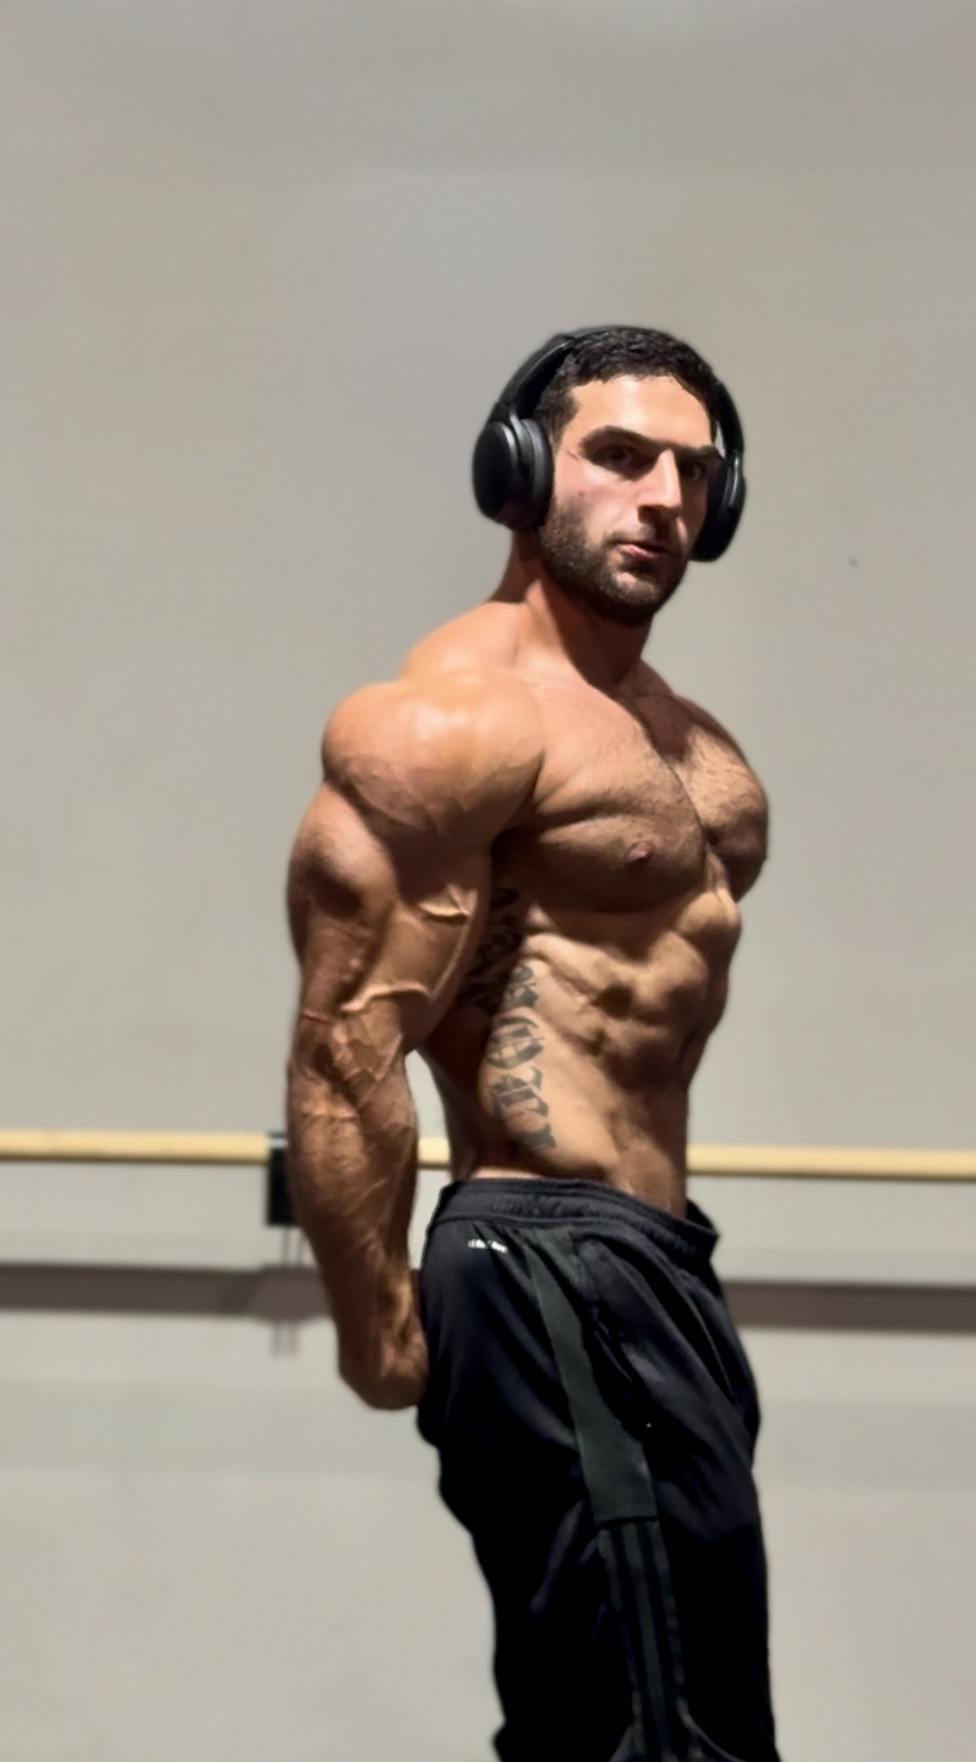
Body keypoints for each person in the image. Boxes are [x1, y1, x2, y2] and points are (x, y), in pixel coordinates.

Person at [286, 327, 778, 1762]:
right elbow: (346, 1044)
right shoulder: (457, 721)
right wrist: (378, 1326)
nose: (663, 498)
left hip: (660, 1262)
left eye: (694, 472)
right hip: (541, 1250)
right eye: (620, 457)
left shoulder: (688, 746)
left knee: (671, 1709)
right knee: (651, 1731)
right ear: (519, 472)